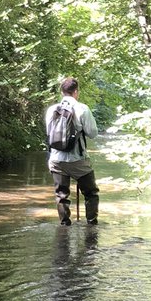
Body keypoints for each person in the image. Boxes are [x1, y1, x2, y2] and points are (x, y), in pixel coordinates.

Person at [45, 77, 100, 225]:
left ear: (62, 92)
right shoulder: (82, 109)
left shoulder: (52, 110)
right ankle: (91, 224)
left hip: (56, 159)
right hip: (78, 160)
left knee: (61, 195)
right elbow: (93, 133)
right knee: (91, 193)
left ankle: (64, 226)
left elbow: (50, 134)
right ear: (76, 92)